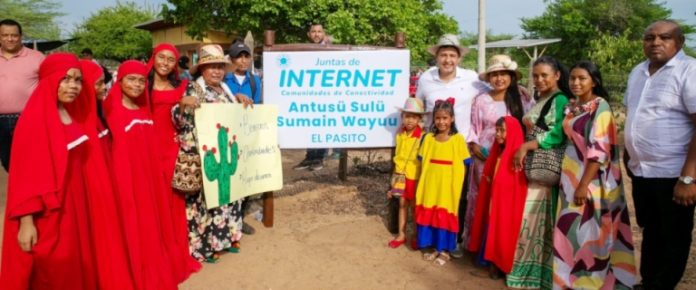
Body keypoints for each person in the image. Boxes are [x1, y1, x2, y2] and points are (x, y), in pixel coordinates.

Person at [0, 53, 134, 290]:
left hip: (75, 205)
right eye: (65, 79)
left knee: (77, 263)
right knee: (54, 269)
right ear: (50, 80)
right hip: (50, 212)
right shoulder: (34, 119)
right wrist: (26, 222)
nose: (73, 86)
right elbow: (24, 176)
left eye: (77, 80)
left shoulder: (73, 114)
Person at [624, 20, 696, 290]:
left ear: (679, 42)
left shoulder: (689, 71)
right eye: (649, 37)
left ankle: (663, 285)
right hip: (643, 171)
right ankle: (649, 282)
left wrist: (689, 177)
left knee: (673, 235)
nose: (655, 42)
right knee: (650, 230)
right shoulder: (638, 72)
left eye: (664, 37)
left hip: (674, 174)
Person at [552, 61, 636, 289]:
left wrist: (582, 185)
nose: (576, 83)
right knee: (569, 229)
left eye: (582, 78)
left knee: (593, 231)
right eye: (573, 78)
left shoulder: (601, 108)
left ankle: (592, 282)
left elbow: (599, 151)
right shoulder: (573, 106)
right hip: (570, 176)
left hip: (592, 178)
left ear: (594, 81)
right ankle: (566, 280)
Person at [172, 44, 252, 263]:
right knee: (209, 202)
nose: (216, 71)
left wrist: (241, 101)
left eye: (219, 67)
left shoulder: (225, 90)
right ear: (202, 70)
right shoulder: (193, 90)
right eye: (211, 67)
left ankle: (228, 238)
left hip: (227, 155)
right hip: (207, 157)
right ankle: (208, 245)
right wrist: (181, 105)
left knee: (229, 197)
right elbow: (178, 120)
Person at [104, 60, 181, 289]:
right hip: (126, 180)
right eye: (131, 79)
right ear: (120, 80)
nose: (137, 85)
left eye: (141, 80)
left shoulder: (142, 106)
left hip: (147, 177)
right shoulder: (110, 108)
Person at [416, 33, 487, 257]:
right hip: (434, 145)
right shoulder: (426, 79)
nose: (447, 60)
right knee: (431, 193)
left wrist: (519, 90)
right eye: (443, 55)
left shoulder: (471, 78)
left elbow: (493, 90)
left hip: (460, 147)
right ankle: (431, 237)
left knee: (460, 194)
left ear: (459, 58)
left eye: (452, 55)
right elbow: (419, 106)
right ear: (436, 57)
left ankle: (453, 239)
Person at [508, 55, 572, 289]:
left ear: (557, 75)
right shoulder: (543, 98)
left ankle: (534, 275)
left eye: (544, 75)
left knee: (533, 221)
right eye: (536, 75)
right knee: (531, 222)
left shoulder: (560, 99)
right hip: (535, 168)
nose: (539, 79)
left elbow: (558, 133)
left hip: (543, 169)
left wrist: (526, 145)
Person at [461, 54, 533, 250]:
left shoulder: (522, 98)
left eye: (503, 74)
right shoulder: (481, 100)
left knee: (503, 203)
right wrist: (474, 146)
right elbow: (474, 128)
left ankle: (500, 248)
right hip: (483, 158)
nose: (499, 78)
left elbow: (529, 126)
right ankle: (478, 245)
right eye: (494, 75)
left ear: (511, 76)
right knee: (482, 199)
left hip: (511, 158)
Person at [146, 43, 202, 280]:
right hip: (145, 150)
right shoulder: (141, 85)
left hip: (172, 150)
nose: (166, 63)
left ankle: (174, 252)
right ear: (154, 58)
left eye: (171, 59)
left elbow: (192, 117)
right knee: (150, 203)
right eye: (162, 57)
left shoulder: (183, 87)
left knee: (172, 203)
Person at [468, 116, 527, 279]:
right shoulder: (499, 153)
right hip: (493, 203)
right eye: (497, 130)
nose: (498, 134)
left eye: (502, 131)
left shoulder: (515, 157)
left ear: (512, 132)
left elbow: (513, 184)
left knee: (500, 231)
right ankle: (489, 262)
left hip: (504, 205)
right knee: (490, 229)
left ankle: (496, 266)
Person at [415, 98, 471, 266]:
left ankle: (445, 250)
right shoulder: (428, 139)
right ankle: (433, 247)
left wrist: (457, 186)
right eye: (438, 118)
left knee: (445, 214)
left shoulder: (457, 139)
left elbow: (465, 164)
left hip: (448, 186)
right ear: (434, 119)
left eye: (445, 118)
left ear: (452, 119)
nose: (441, 121)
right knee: (431, 212)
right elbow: (421, 160)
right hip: (430, 184)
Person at [0, 19, 44, 172]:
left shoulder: (37, 57)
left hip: (27, 118)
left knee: (30, 160)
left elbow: (48, 87)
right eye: (5, 35)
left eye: (14, 35)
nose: (10, 39)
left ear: (21, 36)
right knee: (7, 160)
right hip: (0, 122)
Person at [386, 97, 426, 249]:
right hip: (400, 176)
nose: (410, 120)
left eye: (414, 117)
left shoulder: (423, 136)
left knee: (415, 206)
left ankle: (415, 234)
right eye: (407, 116)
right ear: (402, 117)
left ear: (419, 119)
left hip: (415, 176)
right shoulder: (400, 134)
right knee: (402, 204)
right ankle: (402, 234)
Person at [293, 23, 332, 171]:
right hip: (309, 95)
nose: (316, 34)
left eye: (319, 31)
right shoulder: (305, 50)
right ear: (309, 34)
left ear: (324, 34)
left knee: (322, 126)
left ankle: (319, 159)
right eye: (313, 32)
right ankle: (309, 157)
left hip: (325, 95)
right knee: (310, 125)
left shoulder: (330, 49)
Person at [225, 39, 262, 104]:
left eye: (247, 56)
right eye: (239, 56)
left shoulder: (255, 80)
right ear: (231, 59)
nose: (244, 61)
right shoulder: (223, 79)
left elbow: (257, 106)